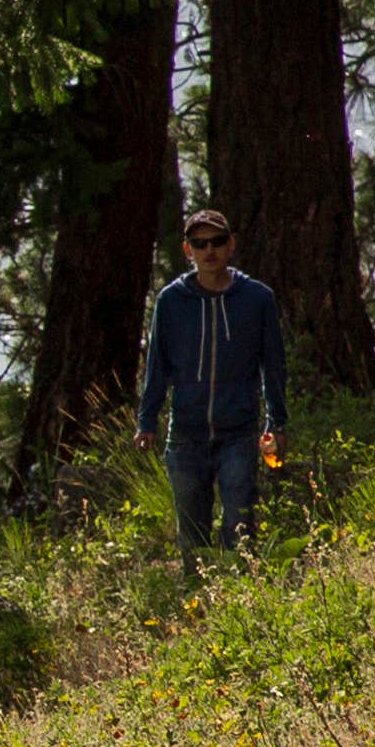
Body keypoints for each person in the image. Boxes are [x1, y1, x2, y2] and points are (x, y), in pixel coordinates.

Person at [137, 207, 290, 559]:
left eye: (217, 242)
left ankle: (242, 602)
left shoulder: (257, 299)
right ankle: (198, 604)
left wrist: (276, 423)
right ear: (187, 250)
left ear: (231, 245)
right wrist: (147, 421)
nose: (210, 251)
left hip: (238, 431)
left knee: (240, 529)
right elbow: (157, 366)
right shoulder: (171, 301)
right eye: (200, 243)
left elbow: (273, 366)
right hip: (186, 435)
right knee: (192, 537)